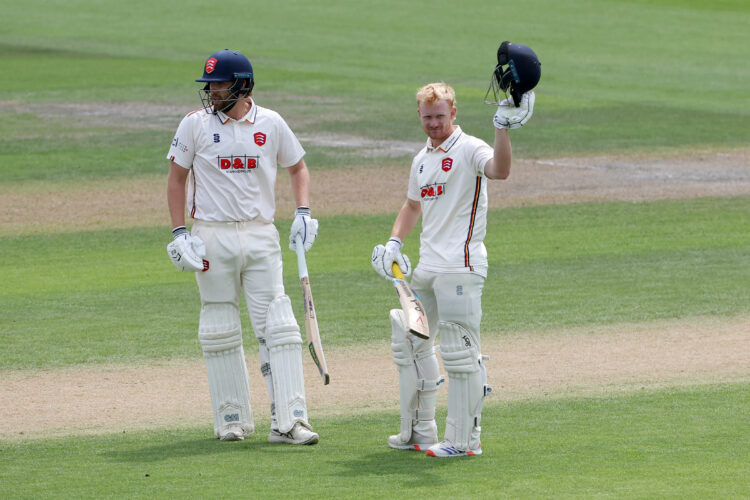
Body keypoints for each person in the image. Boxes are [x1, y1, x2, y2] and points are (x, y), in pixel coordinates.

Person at [370, 42, 540, 458]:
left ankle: (465, 441)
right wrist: (394, 242)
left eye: (440, 116)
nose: (433, 124)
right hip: (427, 270)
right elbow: (412, 205)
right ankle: (419, 431)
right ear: (419, 115)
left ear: (454, 113)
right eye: (427, 117)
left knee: (460, 352)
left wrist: (502, 128)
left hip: (461, 267)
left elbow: (500, 171)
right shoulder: (421, 160)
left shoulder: (470, 148)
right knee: (410, 341)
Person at [166, 49, 319, 445]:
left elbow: (298, 166)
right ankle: (231, 418)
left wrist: (303, 212)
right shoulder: (194, 125)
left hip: (260, 234)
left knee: (279, 326)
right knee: (219, 325)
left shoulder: (271, 122)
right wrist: (179, 233)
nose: (212, 91)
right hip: (211, 236)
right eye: (210, 85)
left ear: (243, 85)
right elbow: (176, 178)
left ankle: (290, 421)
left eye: (219, 84)